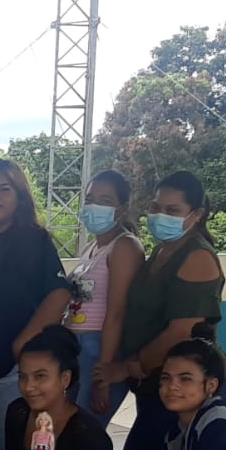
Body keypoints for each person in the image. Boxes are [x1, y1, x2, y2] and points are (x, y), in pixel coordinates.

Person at [93, 171, 226, 450]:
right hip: (158, 388)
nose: (160, 216)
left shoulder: (197, 257)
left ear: (196, 214)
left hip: (186, 389)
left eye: (172, 210)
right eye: (155, 207)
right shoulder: (162, 252)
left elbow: (182, 331)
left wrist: (128, 366)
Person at [0, 159, 74, 450]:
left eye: (4, 189)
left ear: (19, 195)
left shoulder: (35, 240)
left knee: (7, 444)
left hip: (11, 367)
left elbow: (59, 293)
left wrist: (23, 344)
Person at [66, 170, 143, 423]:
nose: (94, 206)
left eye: (105, 200)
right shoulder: (91, 247)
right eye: (90, 199)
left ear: (122, 209)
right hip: (77, 348)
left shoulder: (124, 247)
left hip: (99, 348)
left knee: (85, 430)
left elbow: (117, 313)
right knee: (69, 428)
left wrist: (104, 378)